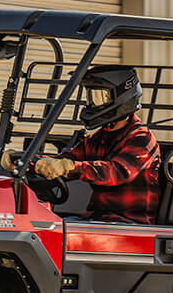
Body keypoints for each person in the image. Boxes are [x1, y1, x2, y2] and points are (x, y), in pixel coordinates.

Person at [31, 65, 162, 224]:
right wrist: (29, 162)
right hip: (98, 220)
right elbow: (67, 159)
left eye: (101, 97)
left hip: (128, 225)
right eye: (91, 97)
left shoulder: (142, 139)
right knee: (43, 226)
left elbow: (115, 172)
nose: (93, 105)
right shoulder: (100, 137)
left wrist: (70, 166)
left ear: (122, 97)